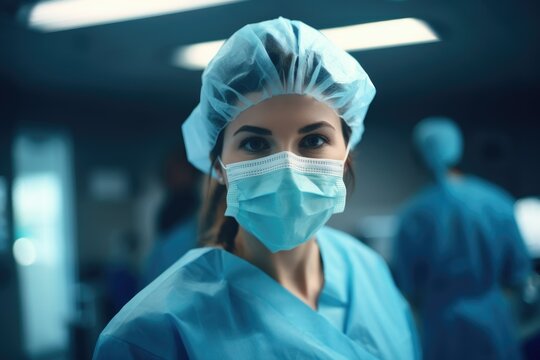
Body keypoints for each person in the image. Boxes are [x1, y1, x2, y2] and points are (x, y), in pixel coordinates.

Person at [93, 17, 420, 359]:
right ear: (219, 166)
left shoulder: (369, 272)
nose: (288, 170)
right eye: (255, 145)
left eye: (313, 139)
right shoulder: (153, 334)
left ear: (346, 154)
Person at [392, 117, 532, 360]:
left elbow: (407, 286)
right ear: (458, 149)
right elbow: (518, 274)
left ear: (417, 158)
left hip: (443, 330)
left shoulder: (412, 216)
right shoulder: (497, 202)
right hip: (494, 322)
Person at [141, 144, 201, 286]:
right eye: (167, 170)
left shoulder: (195, 211)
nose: (169, 175)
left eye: (176, 170)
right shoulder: (168, 207)